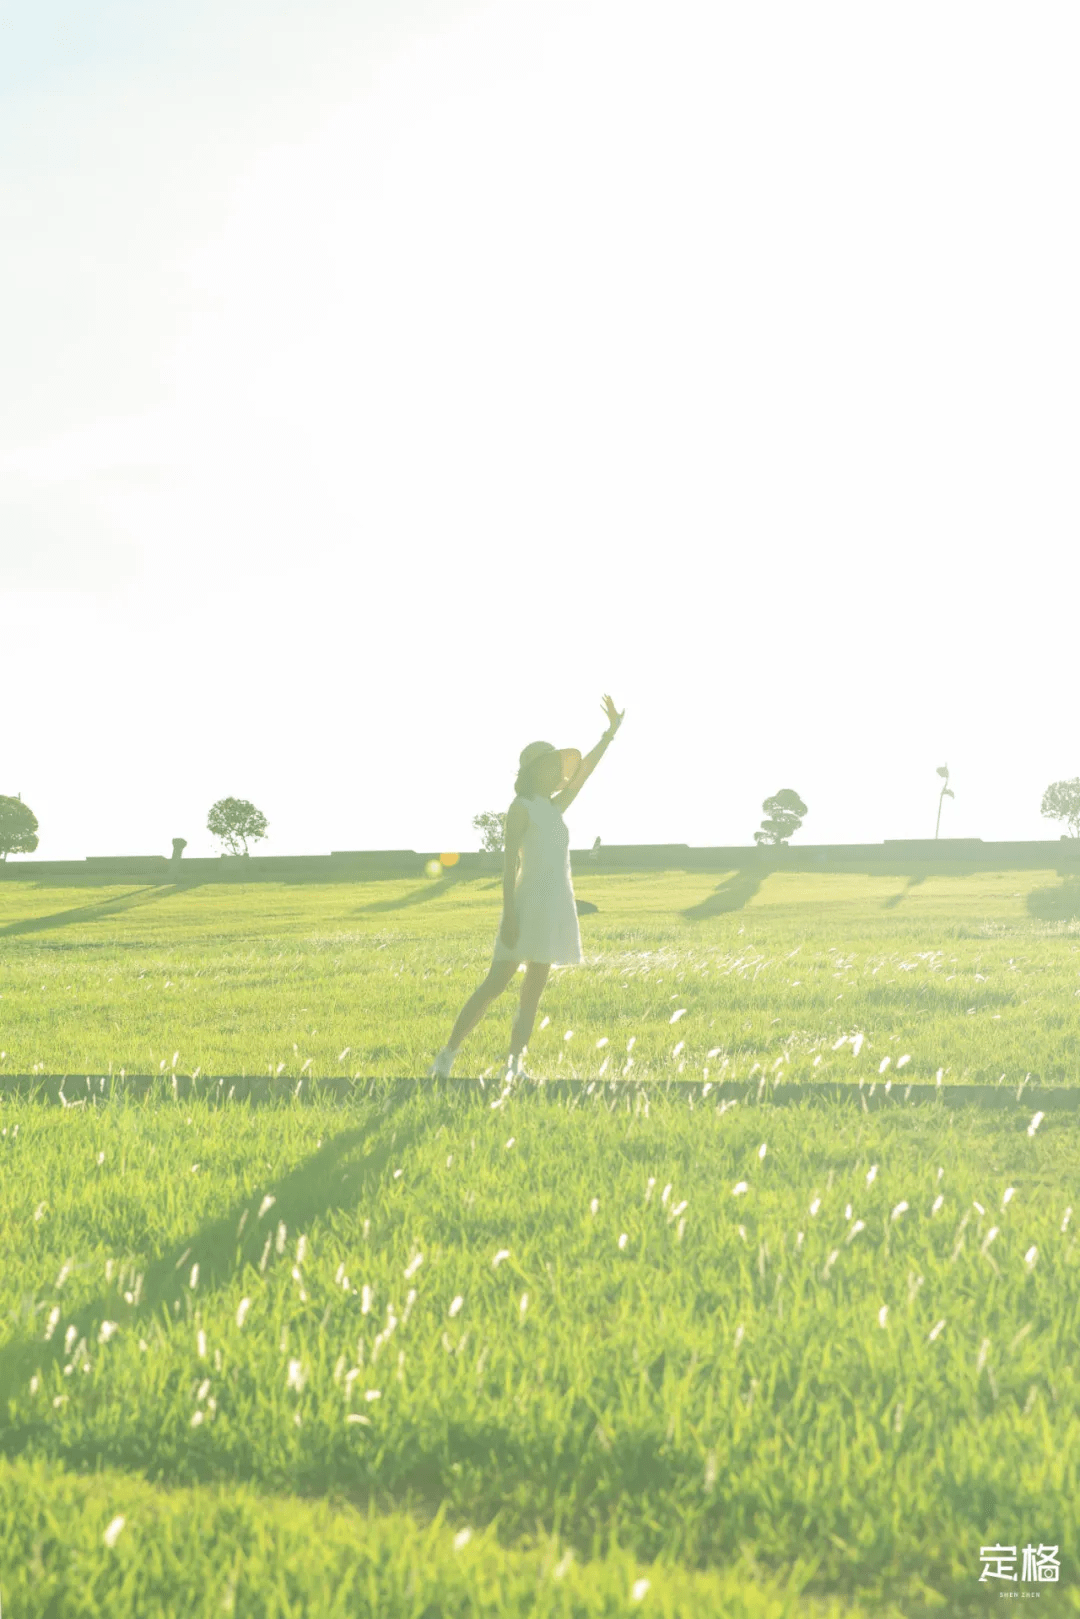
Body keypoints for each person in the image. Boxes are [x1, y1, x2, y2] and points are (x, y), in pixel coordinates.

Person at [428, 694, 625, 1080]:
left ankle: (514, 1064)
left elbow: (585, 772)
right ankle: (446, 1056)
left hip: (555, 904)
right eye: (551, 766)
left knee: (532, 992)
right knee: (494, 985)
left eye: (558, 766)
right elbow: (507, 868)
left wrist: (611, 733)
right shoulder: (521, 809)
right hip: (526, 904)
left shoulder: (554, 807)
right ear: (535, 771)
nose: (559, 772)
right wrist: (509, 916)